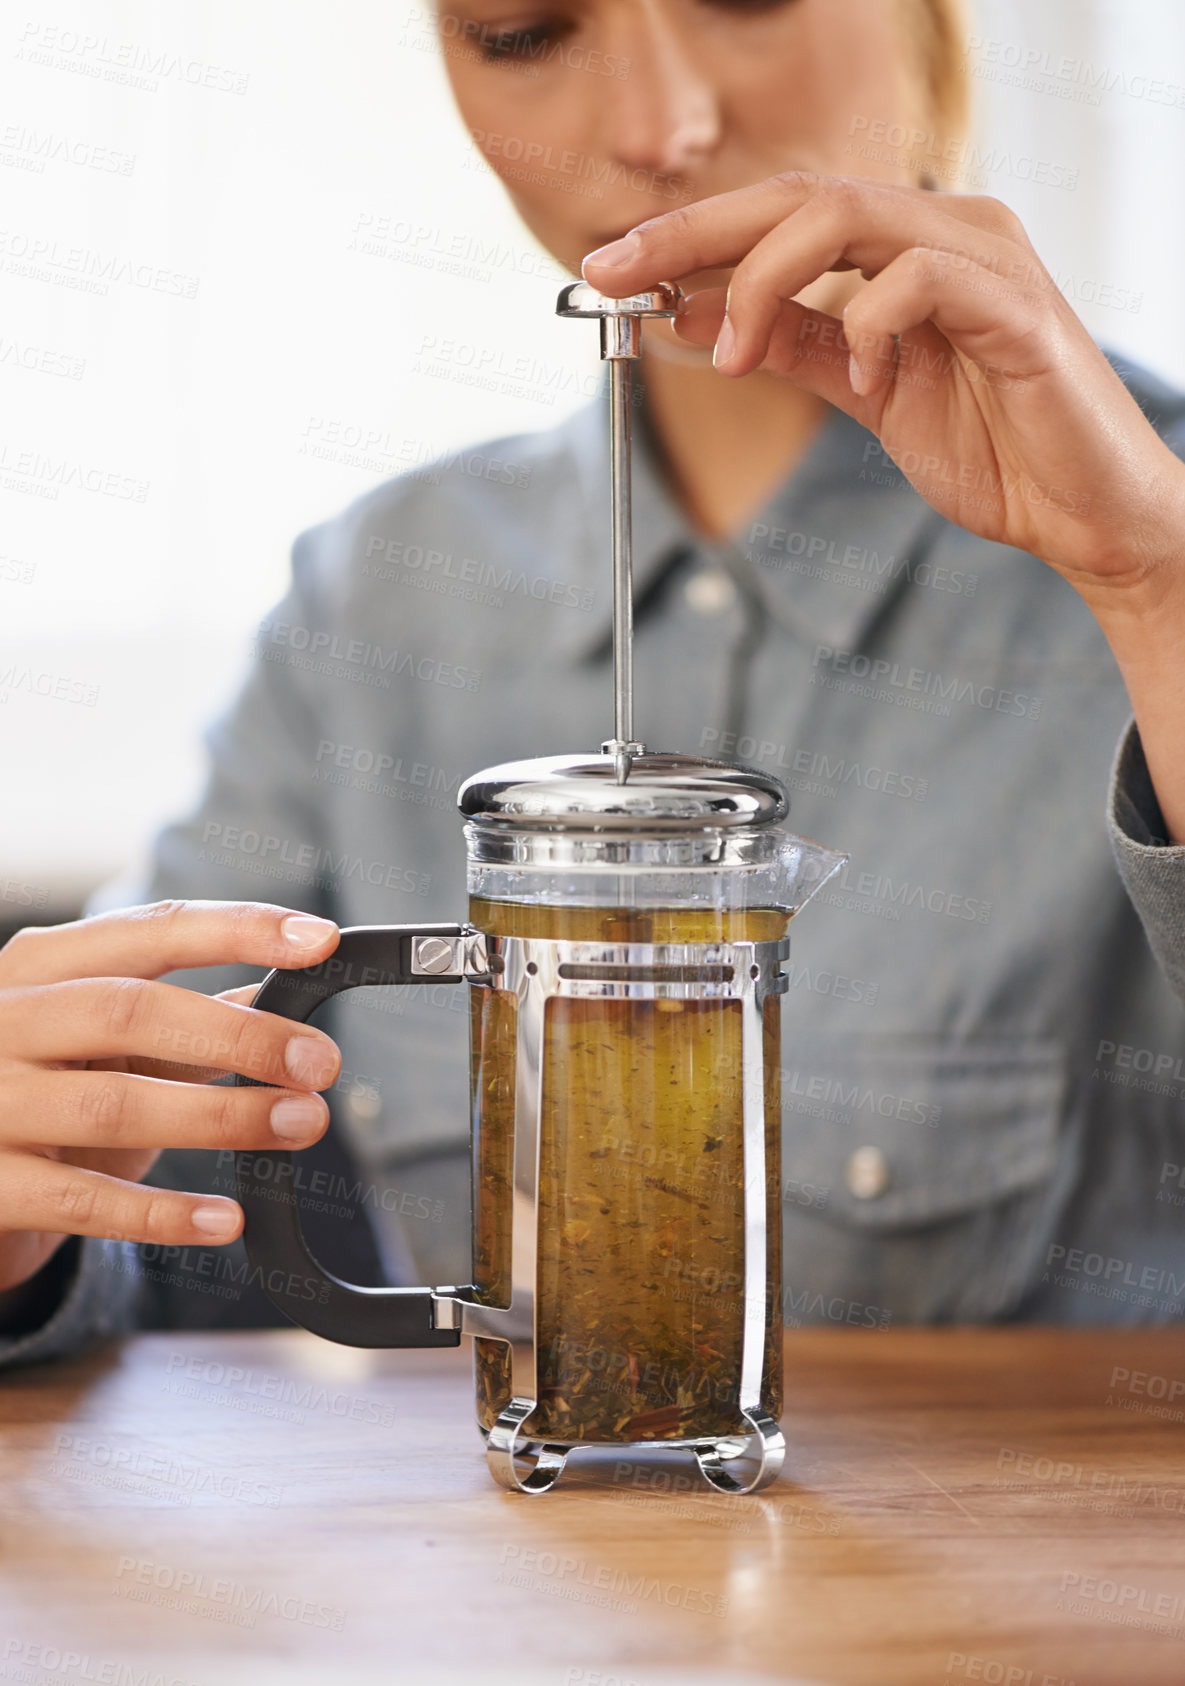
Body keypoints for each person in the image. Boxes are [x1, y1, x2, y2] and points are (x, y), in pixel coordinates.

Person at [3, 0, 1185, 1370]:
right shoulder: (376, 600)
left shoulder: (1153, 544)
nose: (655, 128)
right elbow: (137, 1194)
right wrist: (30, 1223)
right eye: (523, 30)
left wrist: (1152, 589)